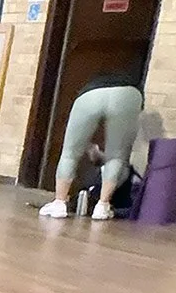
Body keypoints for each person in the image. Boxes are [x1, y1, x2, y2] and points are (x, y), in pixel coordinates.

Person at [40, 72, 146, 220]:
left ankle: (59, 204)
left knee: (69, 154)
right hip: (129, 93)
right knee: (116, 157)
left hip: (91, 93)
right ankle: (102, 206)